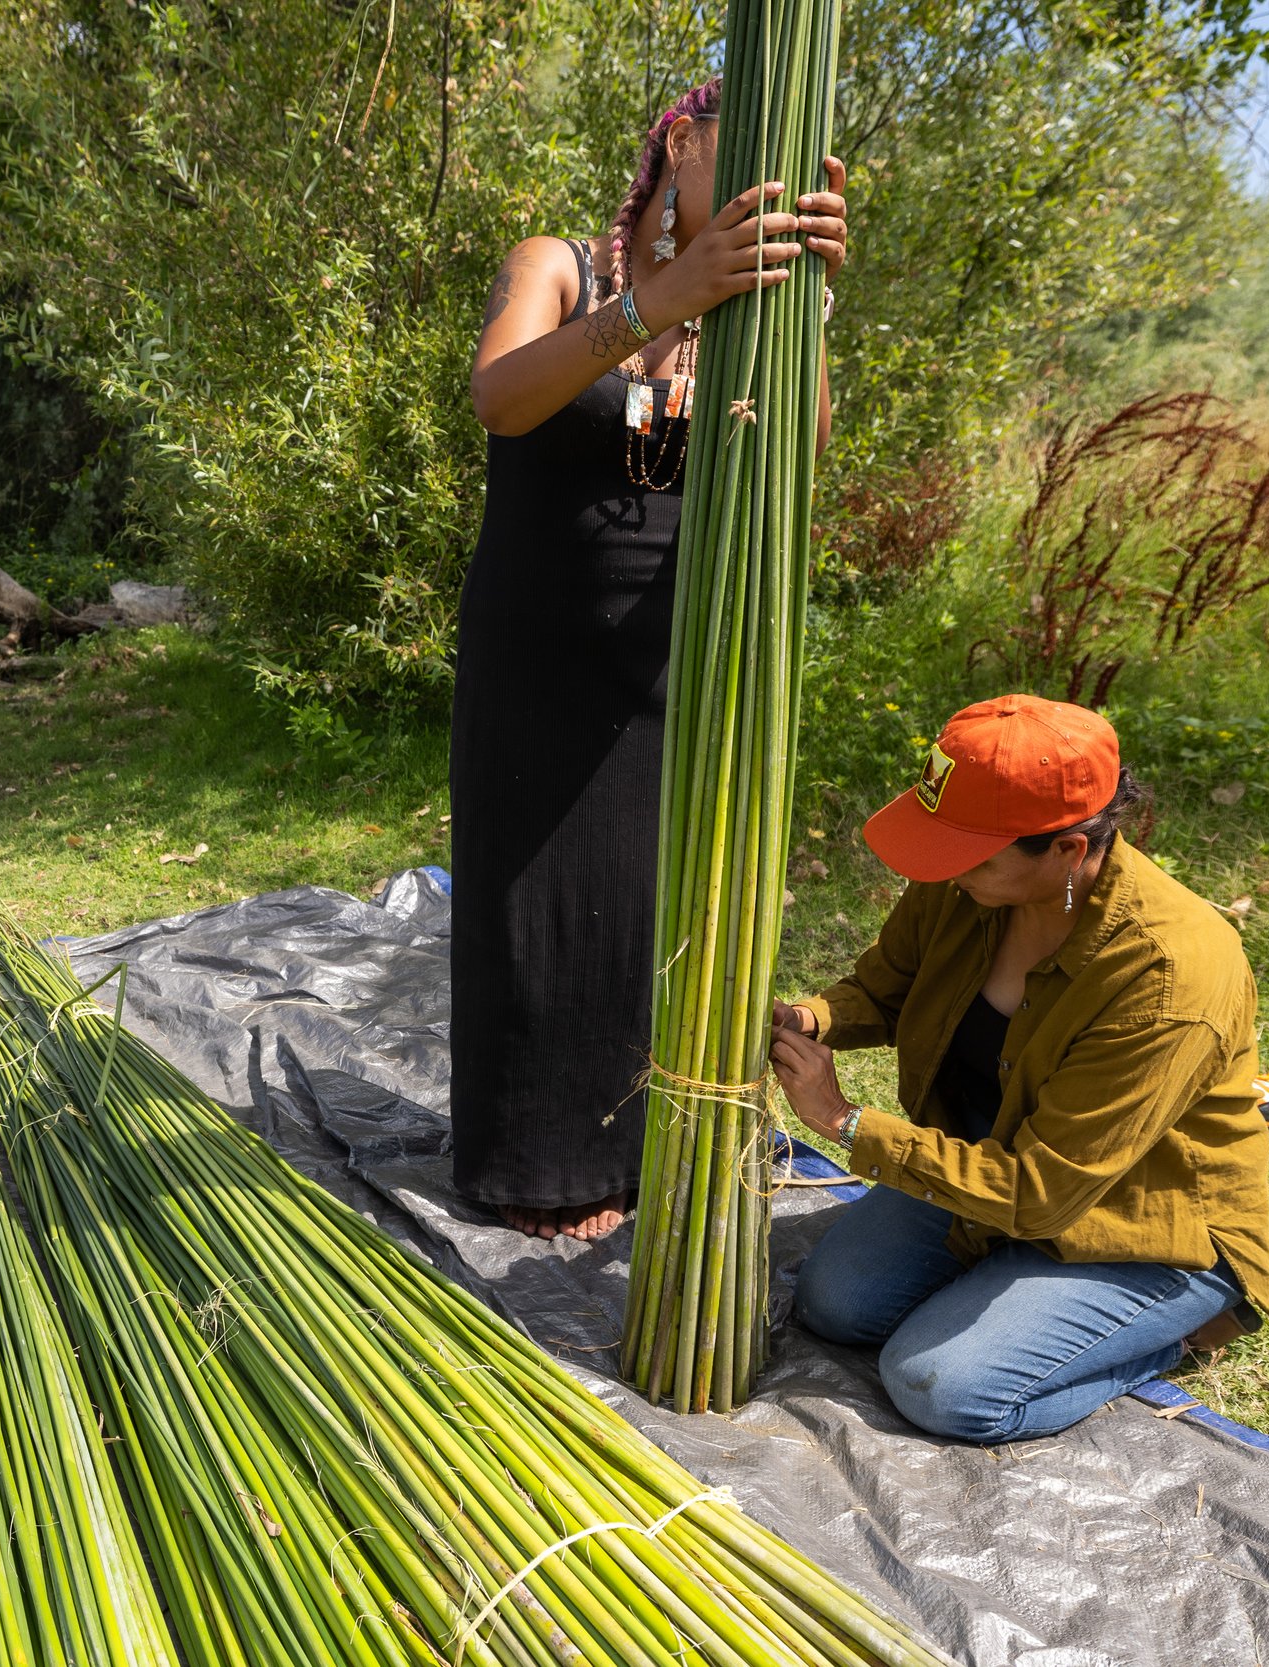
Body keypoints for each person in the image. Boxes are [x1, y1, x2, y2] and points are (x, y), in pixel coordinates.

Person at [450, 78, 849, 1241]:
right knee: (535, 897)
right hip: (540, 642)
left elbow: (801, 452)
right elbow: (501, 397)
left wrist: (807, 311)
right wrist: (662, 298)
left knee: (645, 898)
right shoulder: (561, 263)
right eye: (736, 160)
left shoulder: (755, 300)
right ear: (678, 144)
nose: (754, 193)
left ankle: (640, 1145)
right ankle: (536, 1162)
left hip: (676, 643)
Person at [769, 695, 1269, 1443]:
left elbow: (1043, 1195)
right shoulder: (964, 884)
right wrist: (811, 1019)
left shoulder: (1169, 977)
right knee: (834, 1303)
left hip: (1136, 1220)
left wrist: (842, 1121)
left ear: (1068, 850)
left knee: (940, 1386)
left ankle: (1187, 1323)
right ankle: (1003, 1278)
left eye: (966, 852)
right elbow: (886, 987)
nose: (938, 867)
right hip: (990, 1155)